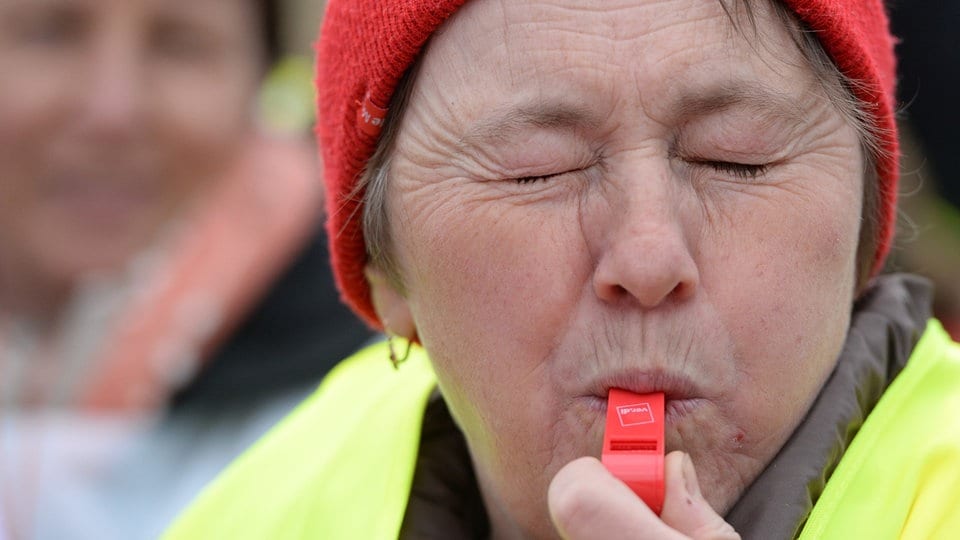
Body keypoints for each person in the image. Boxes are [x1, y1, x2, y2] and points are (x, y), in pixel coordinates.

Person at [166, 0, 960, 538]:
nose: (648, 259)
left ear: (862, 232)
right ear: (385, 273)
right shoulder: (269, 506)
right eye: (535, 171)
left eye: (735, 160)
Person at [0, 0, 371, 538]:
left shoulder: (356, 395)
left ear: (258, 82)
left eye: (180, 44)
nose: (112, 109)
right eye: (49, 33)